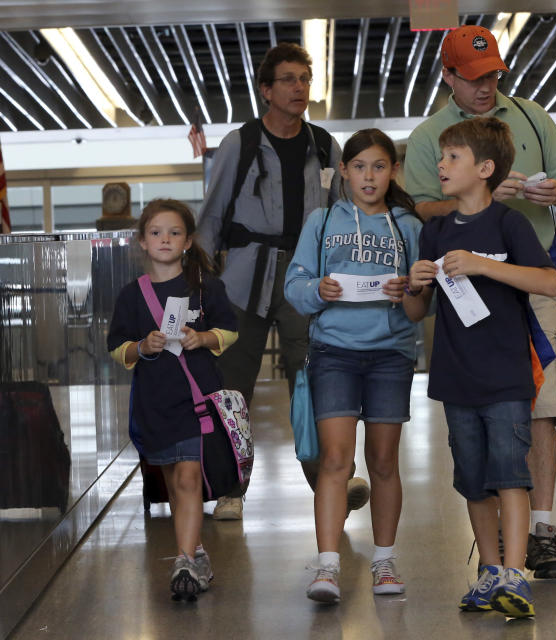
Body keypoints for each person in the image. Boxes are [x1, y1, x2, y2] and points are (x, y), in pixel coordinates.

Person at [404, 24, 556, 579]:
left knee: (541, 407)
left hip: (527, 279)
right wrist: (477, 198)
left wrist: (554, 192)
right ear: (448, 76)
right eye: (475, 78)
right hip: (462, 307)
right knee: (475, 445)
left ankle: (541, 535)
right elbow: (418, 208)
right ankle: (494, 555)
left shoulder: (530, 116)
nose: (487, 86)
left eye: (494, 75)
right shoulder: (430, 136)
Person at [196, 42, 369, 520]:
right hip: (242, 280)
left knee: (313, 378)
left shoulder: (323, 144)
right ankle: (230, 489)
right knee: (231, 386)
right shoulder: (240, 143)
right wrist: (199, 286)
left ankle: (331, 480)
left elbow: (343, 214)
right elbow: (210, 218)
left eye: (305, 79)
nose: (299, 88)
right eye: (289, 80)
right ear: (266, 90)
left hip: (306, 279)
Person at [284, 129, 422, 605]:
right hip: (334, 353)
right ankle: (327, 566)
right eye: (359, 166)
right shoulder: (321, 222)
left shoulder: (408, 225)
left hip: (391, 355)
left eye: (379, 166)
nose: (369, 176)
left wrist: (410, 294)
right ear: (343, 171)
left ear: (392, 172)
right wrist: (316, 290)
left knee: (383, 462)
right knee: (337, 461)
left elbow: (422, 303)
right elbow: (295, 284)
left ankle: (384, 561)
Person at [107, 199, 238, 600]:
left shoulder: (205, 287)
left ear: (188, 241)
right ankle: (195, 551)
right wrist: (142, 347)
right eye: (156, 232)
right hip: (154, 403)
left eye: (175, 232)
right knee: (171, 479)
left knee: (187, 478)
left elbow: (229, 331)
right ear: (143, 242)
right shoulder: (132, 296)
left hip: (196, 402)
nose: (165, 239)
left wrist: (204, 337)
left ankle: (182, 559)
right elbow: (116, 348)